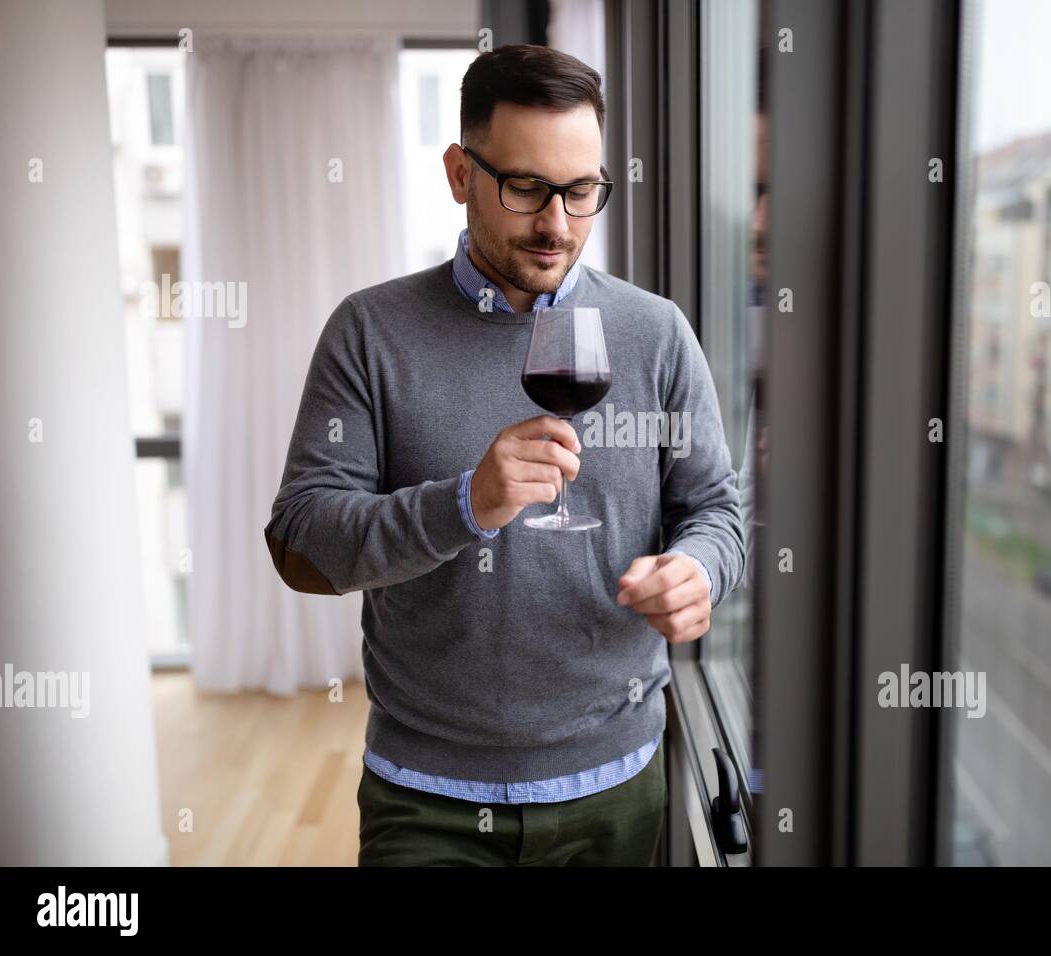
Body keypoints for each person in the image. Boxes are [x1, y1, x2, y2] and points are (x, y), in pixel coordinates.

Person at [262, 44, 745, 866]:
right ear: (459, 172)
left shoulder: (656, 333)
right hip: (427, 799)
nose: (558, 223)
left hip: (618, 788)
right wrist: (464, 507)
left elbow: (716, 511)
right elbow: (301, 545)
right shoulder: (370, 332)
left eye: (582, 190)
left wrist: (700, 569)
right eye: (526, 187)